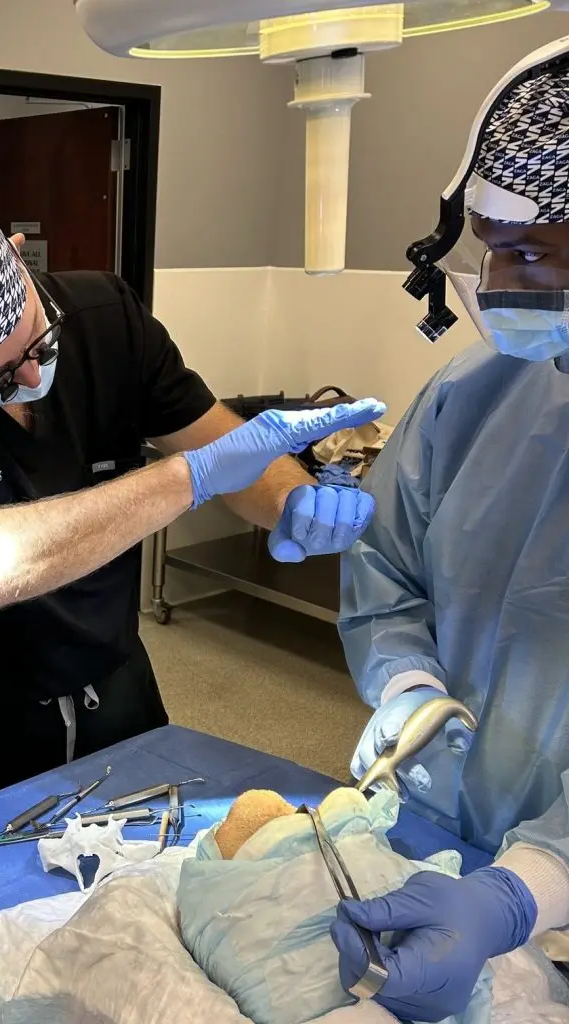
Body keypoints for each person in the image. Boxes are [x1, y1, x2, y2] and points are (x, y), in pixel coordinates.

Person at [0, 175, 384, 819]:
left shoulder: (107, 317)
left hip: (115, 670)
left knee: (151, 869)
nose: (33, 377)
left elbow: (233, 450)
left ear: (15, 253)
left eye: (38, 343)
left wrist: (292, 499)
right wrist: (190, 477)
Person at [332, 41, 569, 1022]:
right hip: (438, 837)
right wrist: (407, 685)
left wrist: (521, 892)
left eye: (522, 253)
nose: (489, 283)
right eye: (481, 248)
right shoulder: (477, 392)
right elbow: (386, 566)